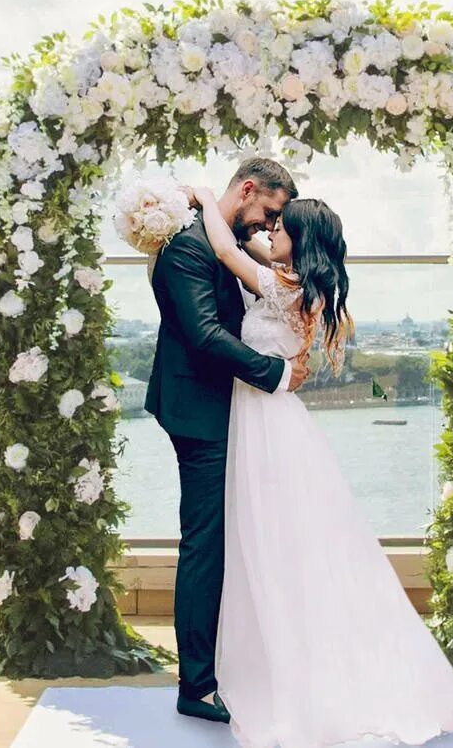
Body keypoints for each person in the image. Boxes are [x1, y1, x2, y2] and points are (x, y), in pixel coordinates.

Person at [189, 184, 453, 748]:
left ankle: (287, 672)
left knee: (271, 542)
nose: (269, 231)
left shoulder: (283, 285)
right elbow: (247, 242)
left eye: (280, 227)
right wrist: (257, 232)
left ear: (299, 243)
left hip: (267, 426)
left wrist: (204, 198)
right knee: (282, 543)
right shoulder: (298, 285)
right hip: (270, 419)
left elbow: (228, 251)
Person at [144, 157, 310, 724]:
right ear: (246, 190)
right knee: (205, 544)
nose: (268, 227)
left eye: (276, 221)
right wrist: (276, 374)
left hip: (230, 410)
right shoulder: (188, 249)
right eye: (268, 213)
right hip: (199, 413)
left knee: (238, 540)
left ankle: (234, 665)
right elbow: (205, 334)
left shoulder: (221, 240)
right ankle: (195, 685)